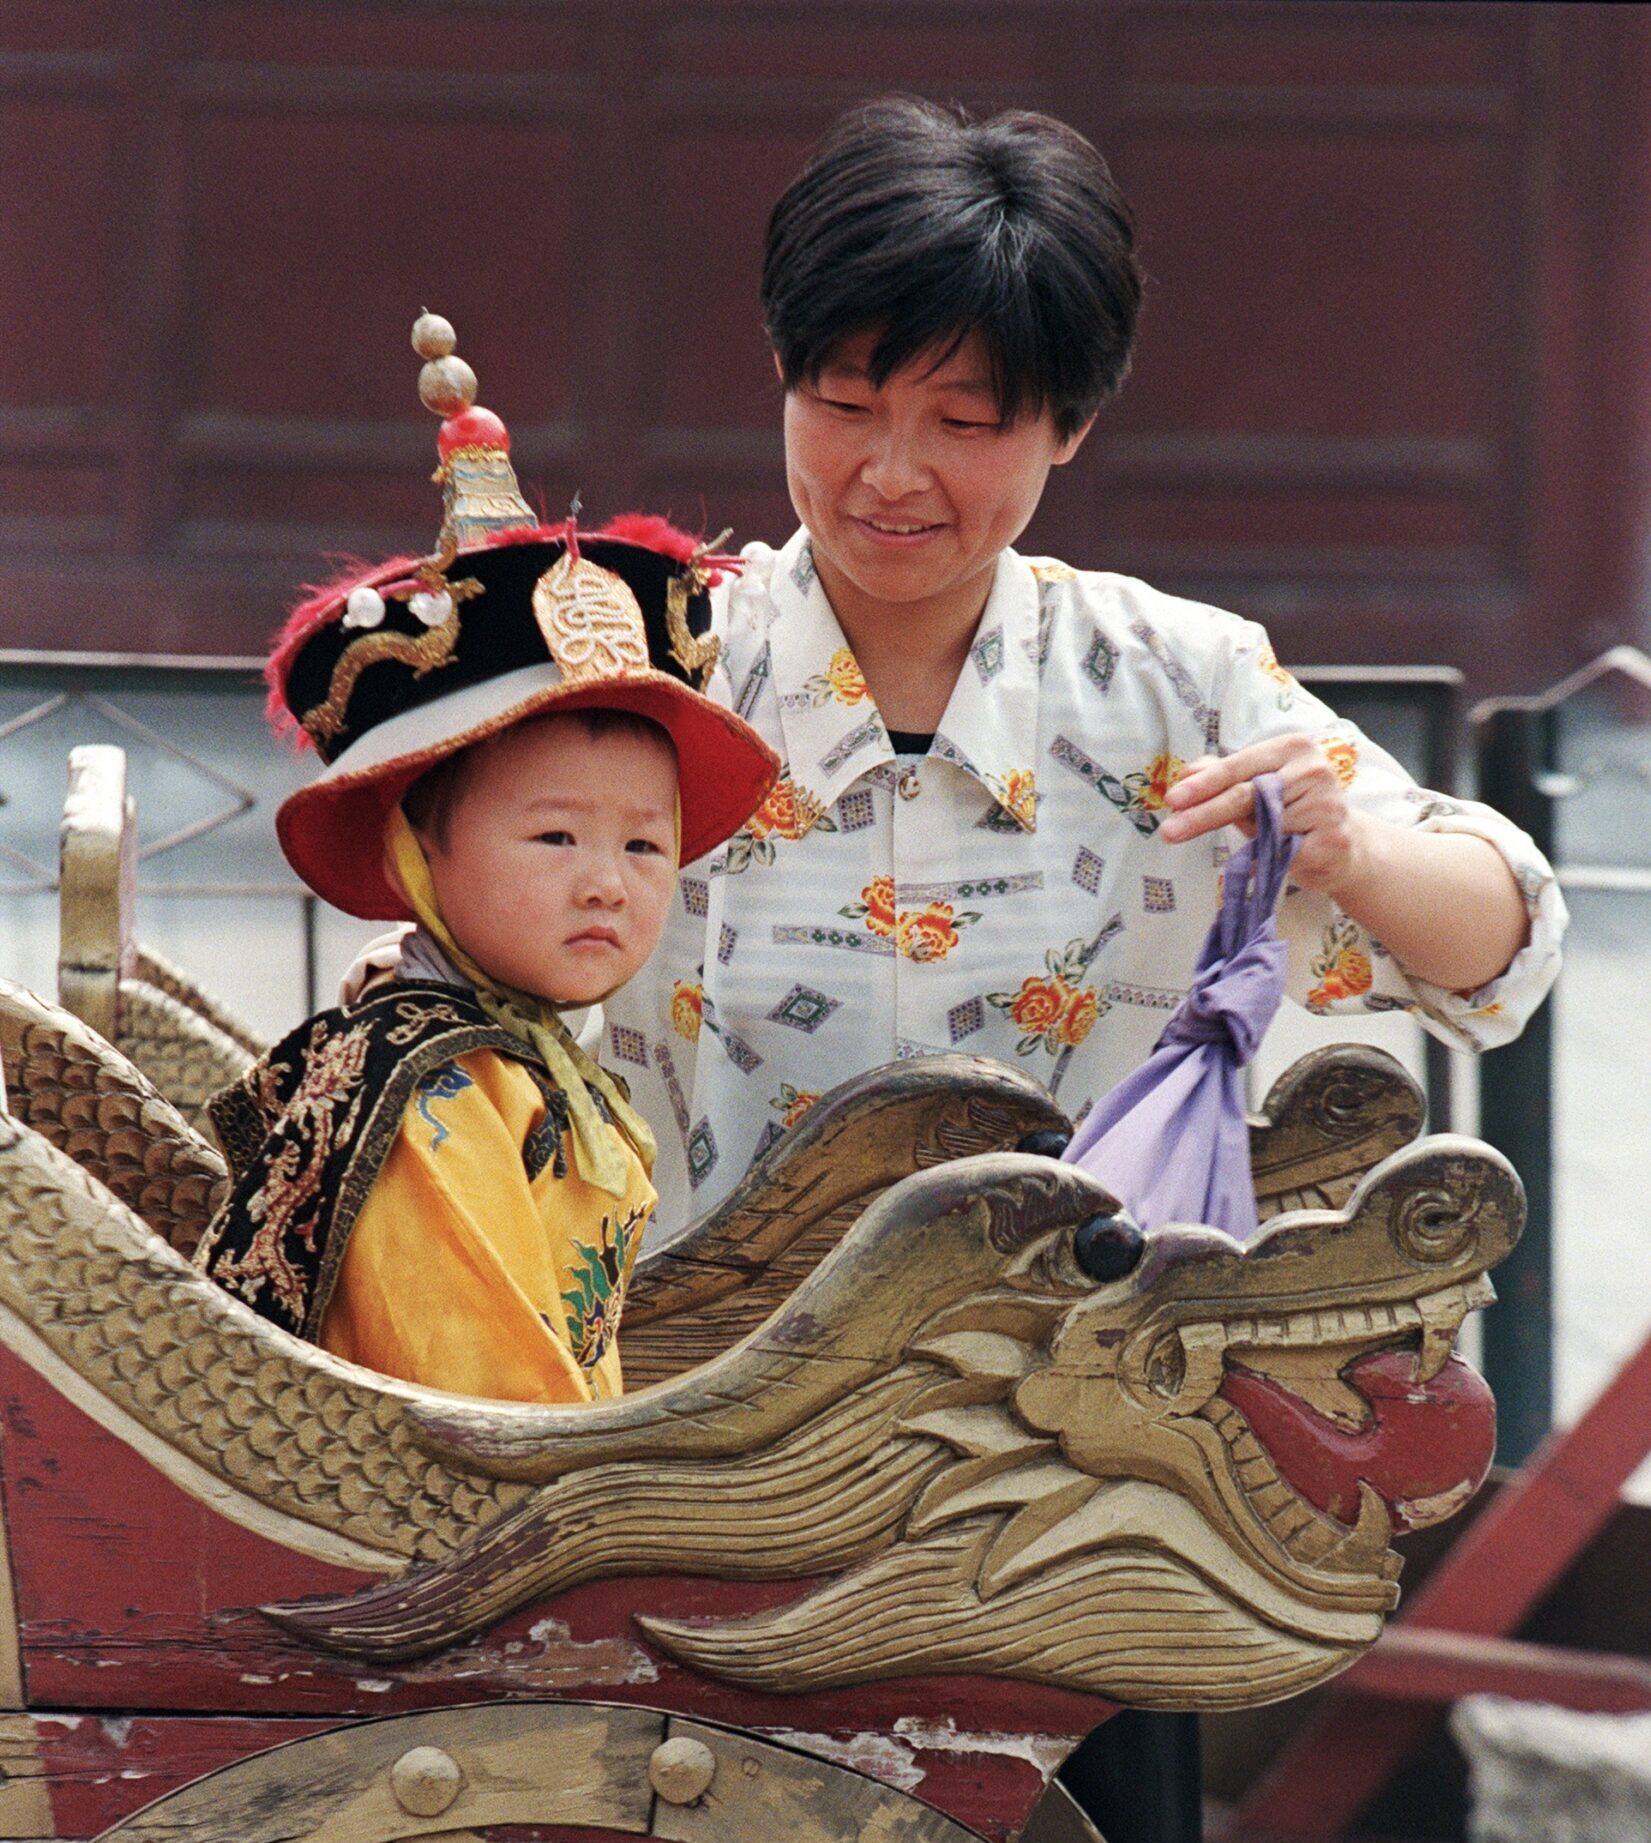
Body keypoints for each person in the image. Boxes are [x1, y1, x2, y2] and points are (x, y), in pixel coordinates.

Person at [591, 96, 1564, 1228]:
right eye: (845, 404)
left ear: (1071, 422)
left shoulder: (1177, 679)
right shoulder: (653, 661)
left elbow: (1504, 951)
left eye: (964, 426)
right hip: (689, 1377)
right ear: (781, 373)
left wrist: (1352, 852)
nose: (891, 473)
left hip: (1080, 1370)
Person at [193, 315, 778, 1404]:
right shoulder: (436, 1092)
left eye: (645, 843)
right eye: (555, 835)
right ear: (419, 849)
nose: (608, 878)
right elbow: (496, 1411)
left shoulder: (521, 1055)